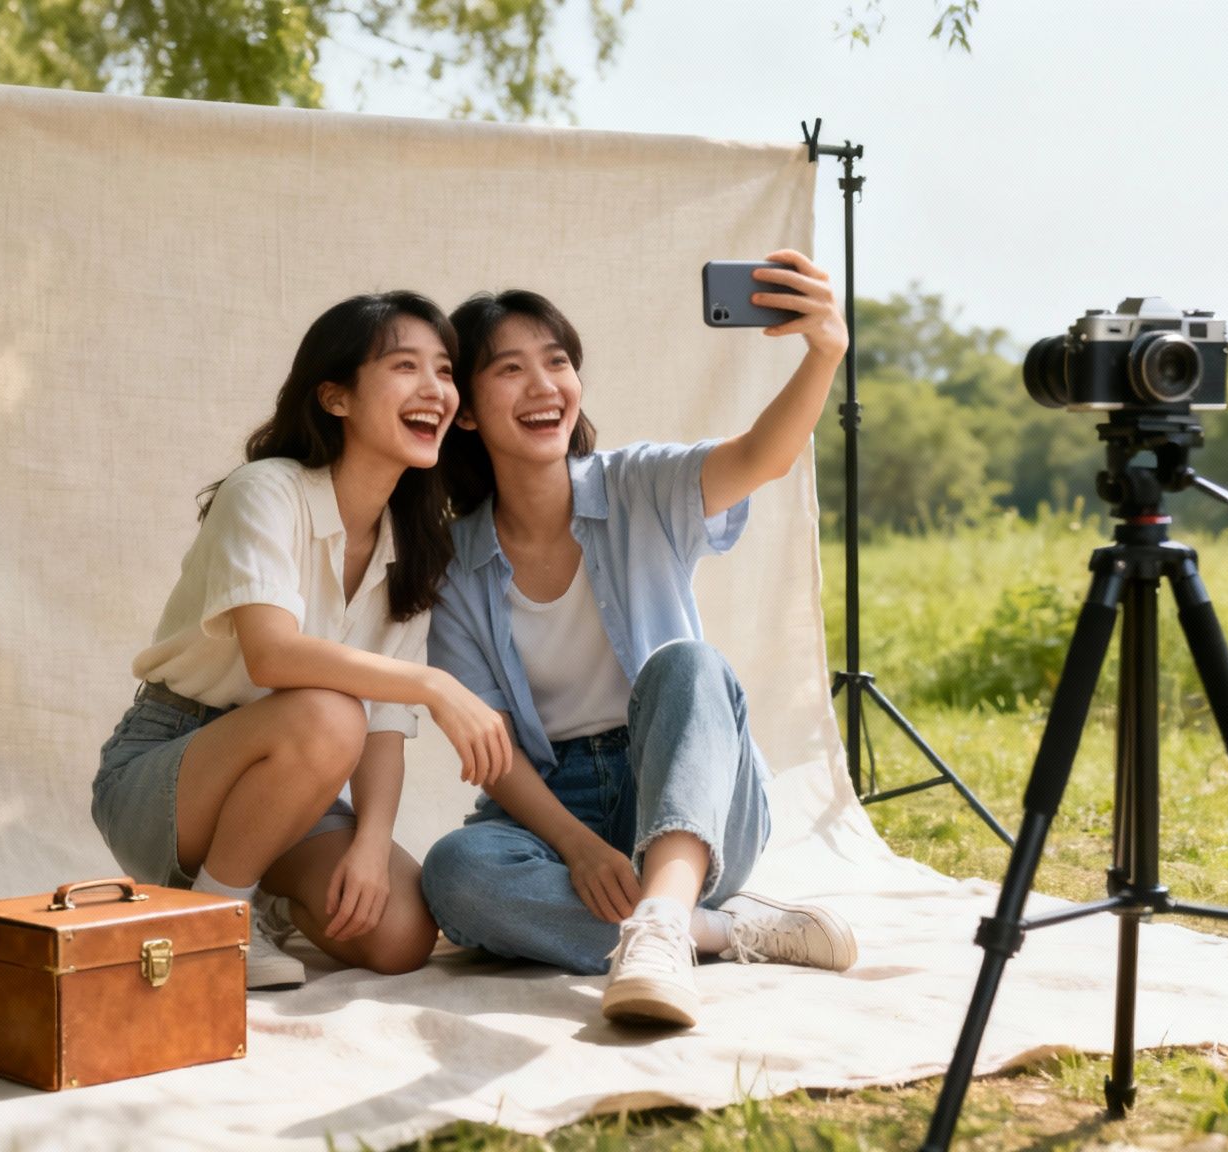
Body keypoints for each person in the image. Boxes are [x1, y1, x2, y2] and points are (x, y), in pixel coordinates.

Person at [421, 251, 857, 1027]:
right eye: (510, 370)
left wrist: (826, 350)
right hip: (556, 809)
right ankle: (709, 930)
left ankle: (659, 917)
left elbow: (763, 456)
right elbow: (493, 749)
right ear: (465, 410)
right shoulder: (455, 564)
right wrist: (577, 846)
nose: (543, 386)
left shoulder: (639, 485)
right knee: (455, 874)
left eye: (558, 362)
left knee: (687, 665)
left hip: (686, 780)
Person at [92, 292, 512, 990]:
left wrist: (372, 846)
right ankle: (216, 916)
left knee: (402, 935)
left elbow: (382, 729)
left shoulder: (413, 544)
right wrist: (436, 685)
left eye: (444, 370)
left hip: (297, 787)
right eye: (405, 366)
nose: (435, 390)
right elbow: (273, 656)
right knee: (328, 710)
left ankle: (257, 894)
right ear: (336, 397)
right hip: (169, 770)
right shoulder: (265, 492)